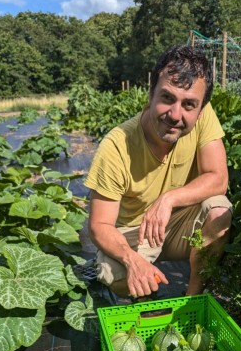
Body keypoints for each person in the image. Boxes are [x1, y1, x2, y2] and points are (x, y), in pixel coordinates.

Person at [85, 44, 232, 299]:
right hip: (134, 231)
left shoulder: (205, 116)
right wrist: (132, 260)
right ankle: (143, 296)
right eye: (167, 98)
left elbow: (218, 178)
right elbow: (99, 224)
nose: (175, 114)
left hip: (178, 225)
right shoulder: (117, 144)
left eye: (189, 105)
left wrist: (169, 199)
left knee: (220, 211)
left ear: (200, 109)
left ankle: (193, 298)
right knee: (115, 274)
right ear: (151, 93)